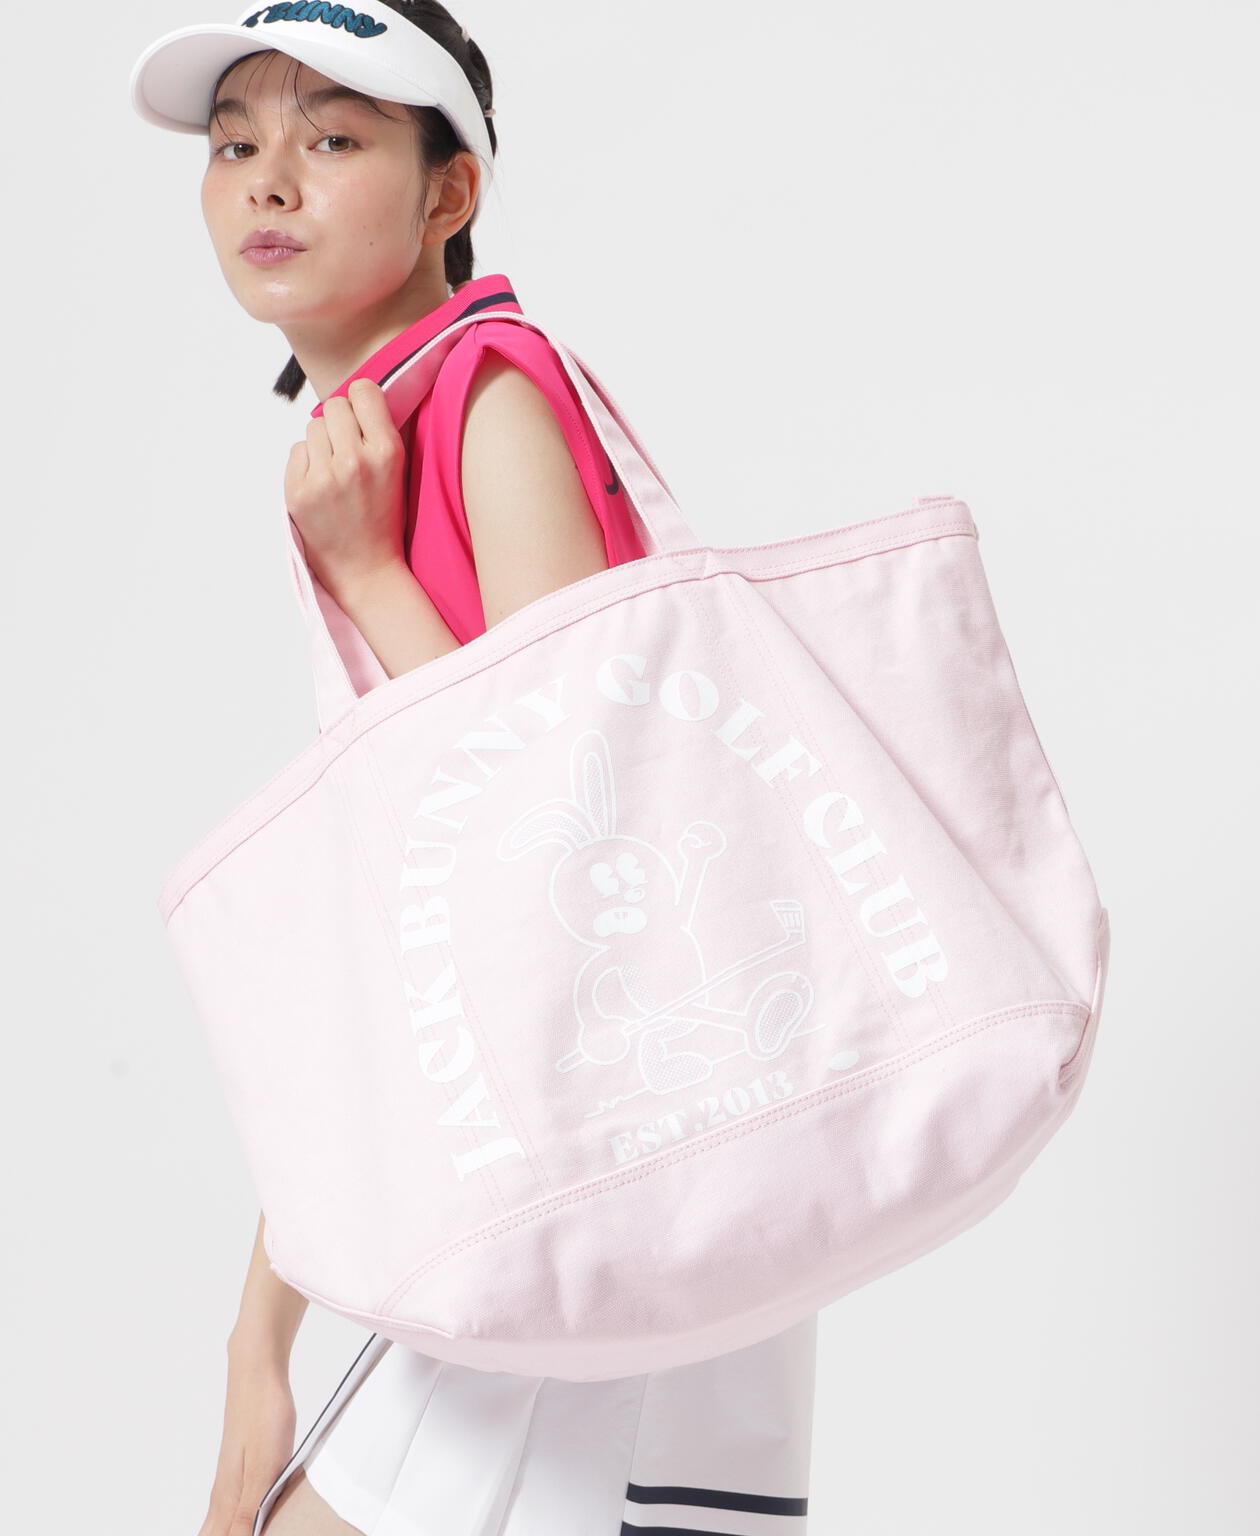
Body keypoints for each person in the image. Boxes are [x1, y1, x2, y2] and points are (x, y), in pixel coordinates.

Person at [129, 4, 819, 1534]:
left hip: (594, 1189)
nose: (268, 180)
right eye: (235, 145)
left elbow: (557, 828)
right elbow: (419, 949)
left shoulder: (491, 396)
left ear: (451, 191)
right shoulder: (388, 429)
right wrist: (258, 1342)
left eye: (334, 136)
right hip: (572, 1177)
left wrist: (371, 572)